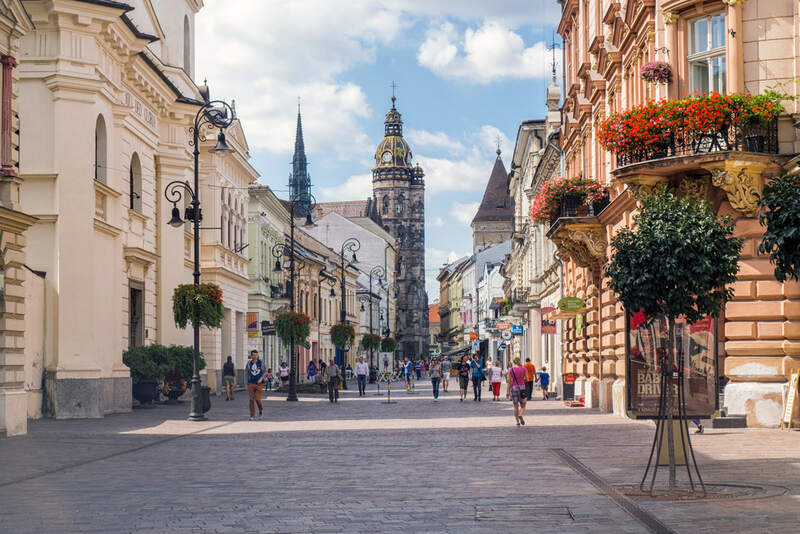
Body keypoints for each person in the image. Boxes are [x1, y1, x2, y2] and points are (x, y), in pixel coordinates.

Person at [508, 358, 528, 426]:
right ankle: (521, 414)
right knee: (523, 405)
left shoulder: (511, 369)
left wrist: (507, 392)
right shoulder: (524, 368)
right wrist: (522, 378)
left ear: (514, 362)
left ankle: (517, 422)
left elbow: (509, 381)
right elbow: (527, 378)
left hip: (514, 388)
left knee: (515, 406)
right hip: (522, 387)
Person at [245, 350, 264, 420]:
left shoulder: (261, 363)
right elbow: (246, 373)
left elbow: (264, 372)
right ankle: (252, 414)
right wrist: (246, 384)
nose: (255, 356)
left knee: (258, 399)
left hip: (259, 384)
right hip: (251, 384)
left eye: (256, 355)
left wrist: (261, 379)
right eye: (254, 355)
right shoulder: (249, 363)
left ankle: (261, 411)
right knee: (251, 399)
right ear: (251, 356)